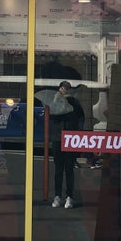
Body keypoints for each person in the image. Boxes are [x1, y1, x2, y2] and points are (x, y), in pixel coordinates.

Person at [50, 81, 80, 209]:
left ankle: (69, 196)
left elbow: (78, 117)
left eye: (67, 88)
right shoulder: (55, 101)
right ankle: (57, 195)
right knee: (58, 169)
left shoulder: (73, 102)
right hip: (57, 137)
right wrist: (57, 98)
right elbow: (52, 114)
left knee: (69, 168)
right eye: (62, 88)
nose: (64, 90)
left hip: (70, 137)